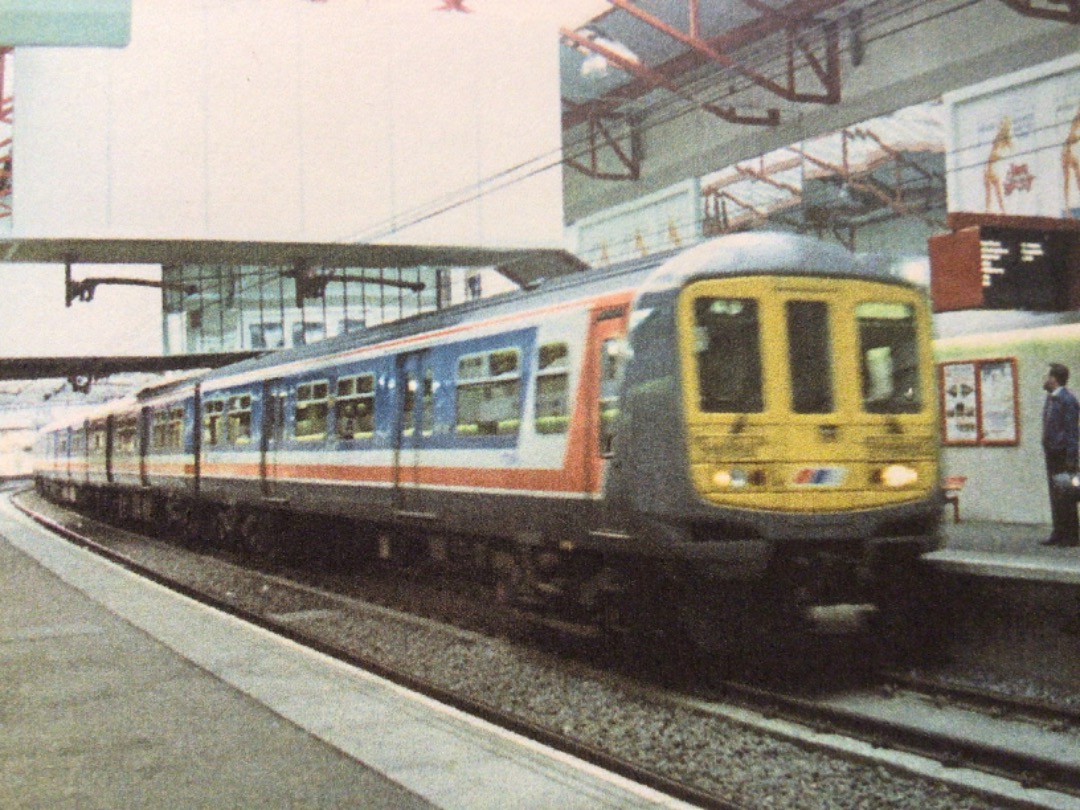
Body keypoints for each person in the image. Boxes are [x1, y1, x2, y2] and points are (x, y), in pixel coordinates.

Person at [1041, 363, 1080, 546]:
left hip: (1063, 454)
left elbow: (1073, 432)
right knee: (1056, 494)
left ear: (1054, 379)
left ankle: (1072, 535)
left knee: (1067, 494)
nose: (1045, 379)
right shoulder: (1051, 399)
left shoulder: (1068, 400)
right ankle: (1059, 531)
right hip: (1052, 452)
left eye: (1047, 376)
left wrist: (1072, 459)